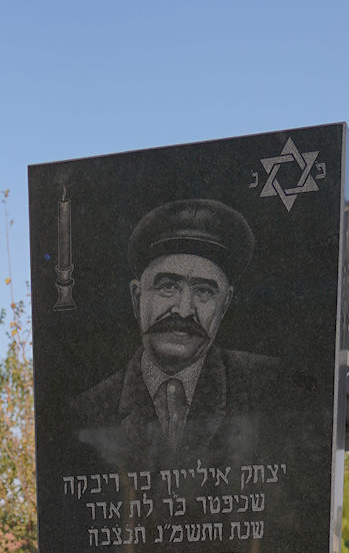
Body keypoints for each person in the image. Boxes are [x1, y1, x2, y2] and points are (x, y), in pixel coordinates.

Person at [74, 198, 279, 463]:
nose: (184, 310)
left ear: (225, 304)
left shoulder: (272, 388)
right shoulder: (88, 410)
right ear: (137, 297)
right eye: (168, 287)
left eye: (204, 292)